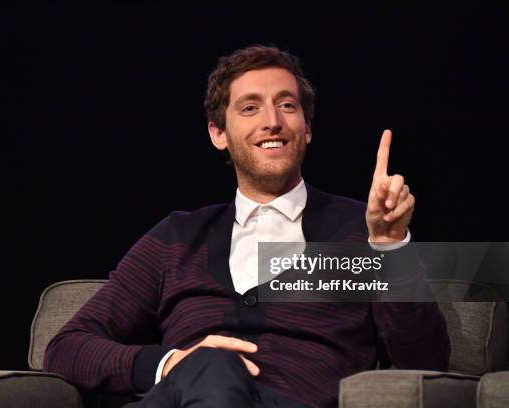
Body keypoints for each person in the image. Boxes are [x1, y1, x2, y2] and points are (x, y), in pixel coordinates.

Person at [43, 45, 450, 408]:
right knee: (210, 367)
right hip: (180, 397)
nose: (272, 121)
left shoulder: (358, 232)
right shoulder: (179, 238)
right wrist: (171, 363)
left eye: (287, 105)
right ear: (218, 133)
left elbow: (424, 363)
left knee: (213, 368)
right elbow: (66, 347)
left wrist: (390, 248)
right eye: (250, 107)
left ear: (306, 129)